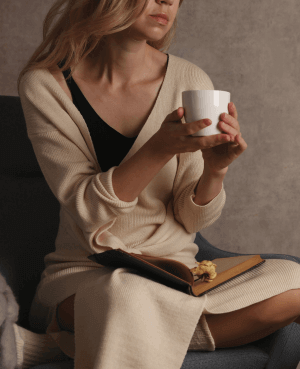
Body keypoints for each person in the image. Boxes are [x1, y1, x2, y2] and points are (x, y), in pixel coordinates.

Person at [16, 0, 300, 368]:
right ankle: (78, 326)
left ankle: (65, 341)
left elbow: (191, 220)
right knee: (126, 294)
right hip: (90, 274)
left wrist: (215, 171)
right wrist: (159, 148)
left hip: (178, 276)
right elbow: (86, 209)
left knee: (293, 278)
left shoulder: (190, 81)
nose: (167, 1)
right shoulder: (45, 85)